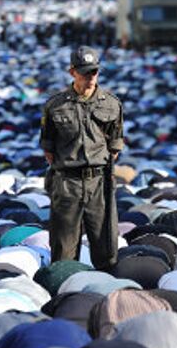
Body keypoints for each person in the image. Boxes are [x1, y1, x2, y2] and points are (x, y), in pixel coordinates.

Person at [40, 46, 124, 270]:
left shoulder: (111, 103)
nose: (90, 78)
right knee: (64, 252)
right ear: (72, 73)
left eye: (94, 72)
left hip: (99, 182)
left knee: (105, 248)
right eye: (85, 73)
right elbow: (48, 148)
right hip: (67, 182)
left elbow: (114, 147)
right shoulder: (55, 105)